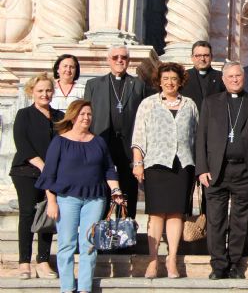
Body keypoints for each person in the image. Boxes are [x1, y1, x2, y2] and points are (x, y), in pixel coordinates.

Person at [35, 100, 124, 293]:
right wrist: (51, 201)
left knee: (89, 243)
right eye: (82, 114)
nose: (86, 118)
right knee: (67, 243)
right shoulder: (59, 141)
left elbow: (109, 169)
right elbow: (49, 174)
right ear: (73, 116)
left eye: (89, 114)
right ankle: (67, 288)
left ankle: (84, 287)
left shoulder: (98, 141)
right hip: (67, 199)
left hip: (95, 199)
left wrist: (116, 191)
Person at [131, 62, 199, 279]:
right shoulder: (148, 104)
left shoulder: (189, 105)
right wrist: (138, 162)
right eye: (166, 79)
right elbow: (139, 135)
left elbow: (195, 136)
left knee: (176, 213)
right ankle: (153, 260)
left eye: (174, 79)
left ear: (180, 82)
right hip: (157, 164)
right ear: (159, 81)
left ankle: (171, 259)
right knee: (156, 212)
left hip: (182, 164)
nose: (170, 83)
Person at [196, 61, 248, 280]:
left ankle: (235, 263)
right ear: (223, 79)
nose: (235, 80)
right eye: (231, 76)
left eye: (238, 76)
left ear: (244, 78)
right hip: (217, 171)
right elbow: (201, 138)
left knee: (241, 220)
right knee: (216, 220)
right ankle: (218, 264)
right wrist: (202, 168)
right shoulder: (211, 102)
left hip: (245, 171)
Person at [84, 44, 148, 218]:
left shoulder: (138, 85)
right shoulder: (94, 85)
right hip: (104, 142)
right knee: (103, 186)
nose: (120, 60)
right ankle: (101, 228)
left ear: (128, 61)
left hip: (129, 145)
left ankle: (126, 232)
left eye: (124, 57)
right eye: (115, 57)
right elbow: (87, 115)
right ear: (108, 61)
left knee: (129, 189)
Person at [10, 72, 63, 279]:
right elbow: (22, 143)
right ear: (32, 92)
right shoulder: (24, 114)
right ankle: (24, 262)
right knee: (28, 214)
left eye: (48, 90)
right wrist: (43, 167)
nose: (45, 94)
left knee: (49, 214)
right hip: (27, 171)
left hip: (52, 174)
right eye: (40, 90)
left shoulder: (59, 117)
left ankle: (43, 260)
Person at [181, 40, 225, 110]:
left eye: (206, 55)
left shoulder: (221, 77)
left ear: (211, 57)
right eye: (198, 55)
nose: (202, 59)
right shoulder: (183, 77)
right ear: (192, 57)